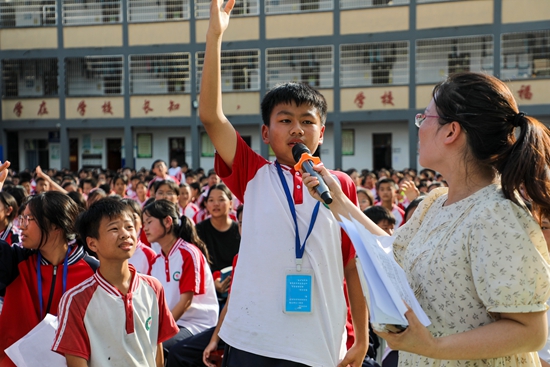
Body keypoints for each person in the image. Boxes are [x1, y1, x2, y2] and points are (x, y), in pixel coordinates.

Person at [302, 72, 550, 366]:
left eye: (425, 118)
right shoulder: (436, 201)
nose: (418, 127)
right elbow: (392, 251)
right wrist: (340, 203)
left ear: (450, 131)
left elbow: (530, 331)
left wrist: (434, 346)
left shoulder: (497, 214)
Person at [198, 1, 368, 366]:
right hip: (253, 337)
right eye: (285, 119)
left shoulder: (338, 185)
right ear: (265, 132)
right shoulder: (253, 173)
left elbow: (351, 264)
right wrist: (215, 36)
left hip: (318, 339)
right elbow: (211, 116)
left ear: (321, 132)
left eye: (307, 121)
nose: (296, 129)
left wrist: (363, 337)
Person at [52, 198, 179, 367]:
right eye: (114, 228)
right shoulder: (76, 300)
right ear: (92, 243)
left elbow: (157, 351)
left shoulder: (153, 287)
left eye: (129, 227)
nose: (125, 234)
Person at [0, 180, 99, 367]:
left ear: (55, 226)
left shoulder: (93, 271)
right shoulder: (15, 261)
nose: (21, 226)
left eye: (28, 219)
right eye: (21, 219)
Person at [144, 200, 218, 357]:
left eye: (149, 222)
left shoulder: (188, 253)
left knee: (156, 347)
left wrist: (161, 331)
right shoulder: (156, 261)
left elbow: (186, 301)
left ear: (168, 221)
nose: (145, 228)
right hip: (173, 324)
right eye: (144, 223)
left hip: (196, 325)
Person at [195, 184, 240, 306]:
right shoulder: (198, 231)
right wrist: (212, 283)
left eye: (221, 199)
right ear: (206, 204)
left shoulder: (240, 230)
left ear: (230, 203)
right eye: (211, 200)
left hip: (237, 290)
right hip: (207, 292)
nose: (216, 204)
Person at [121, 198, 157, 274]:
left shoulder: (150, 255)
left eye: (133, 217)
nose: (129, 222)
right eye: (123, 217)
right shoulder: (108, 252)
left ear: (141, 222)